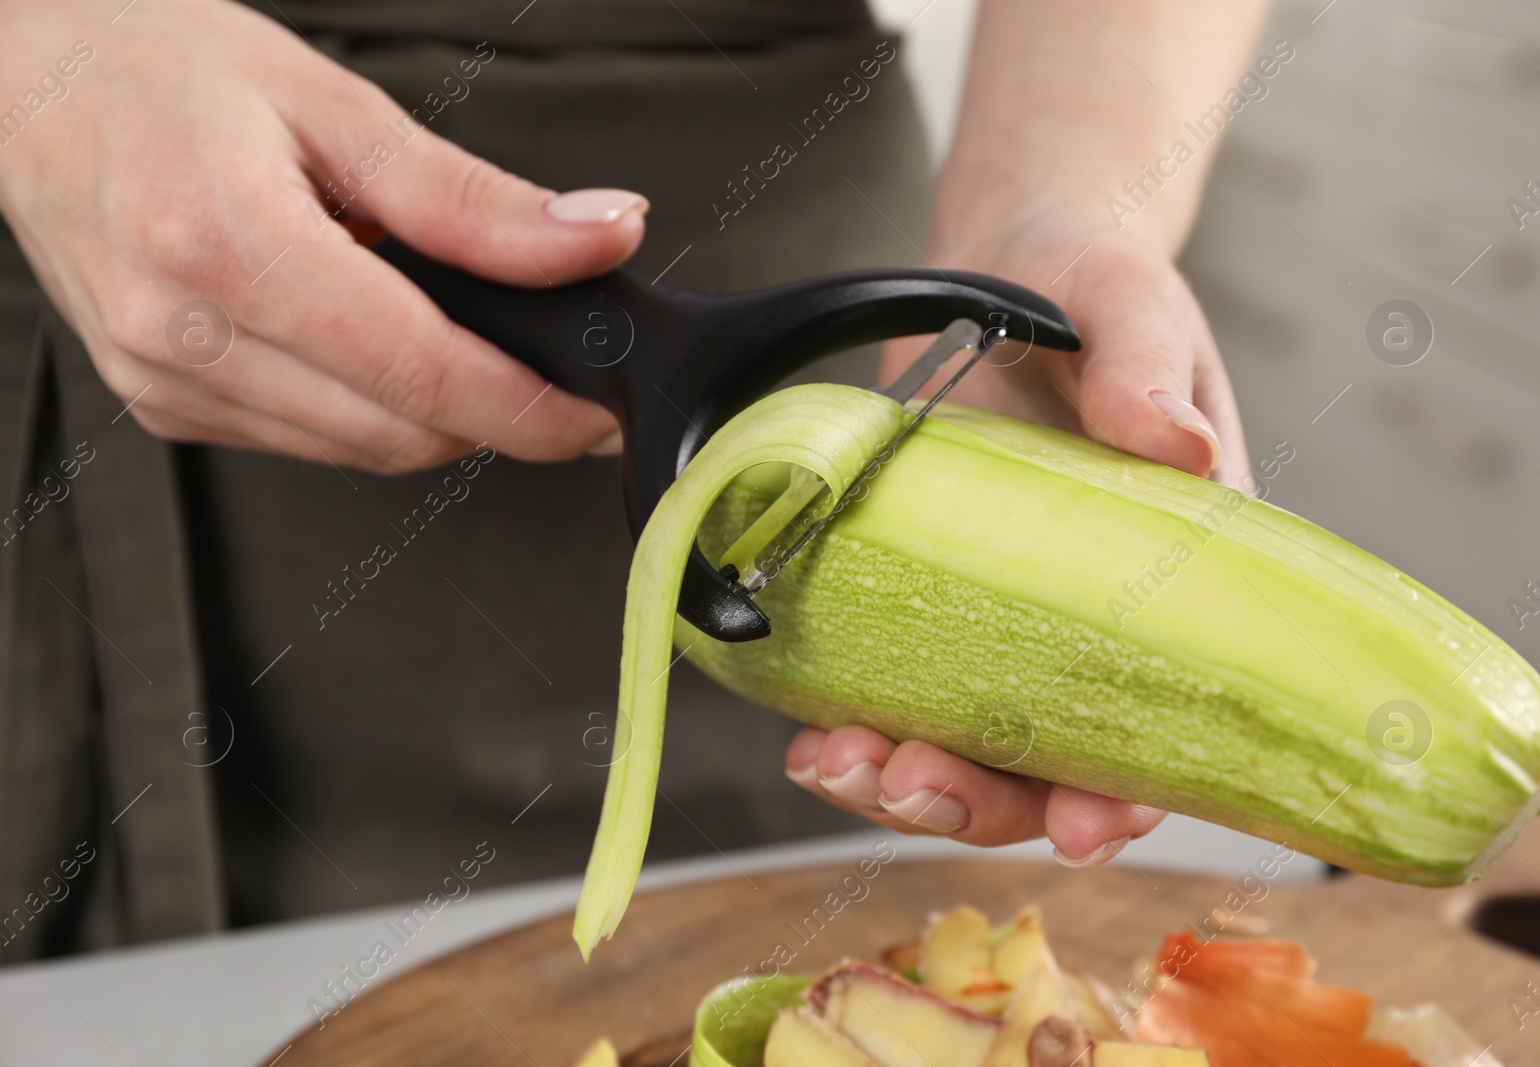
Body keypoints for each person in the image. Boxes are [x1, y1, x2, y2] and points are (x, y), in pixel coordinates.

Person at [0, 0, 1262, 959]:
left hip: (792, 323)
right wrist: (42, 68)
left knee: (749, 970)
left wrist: (1062, 201)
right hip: (73, 255)